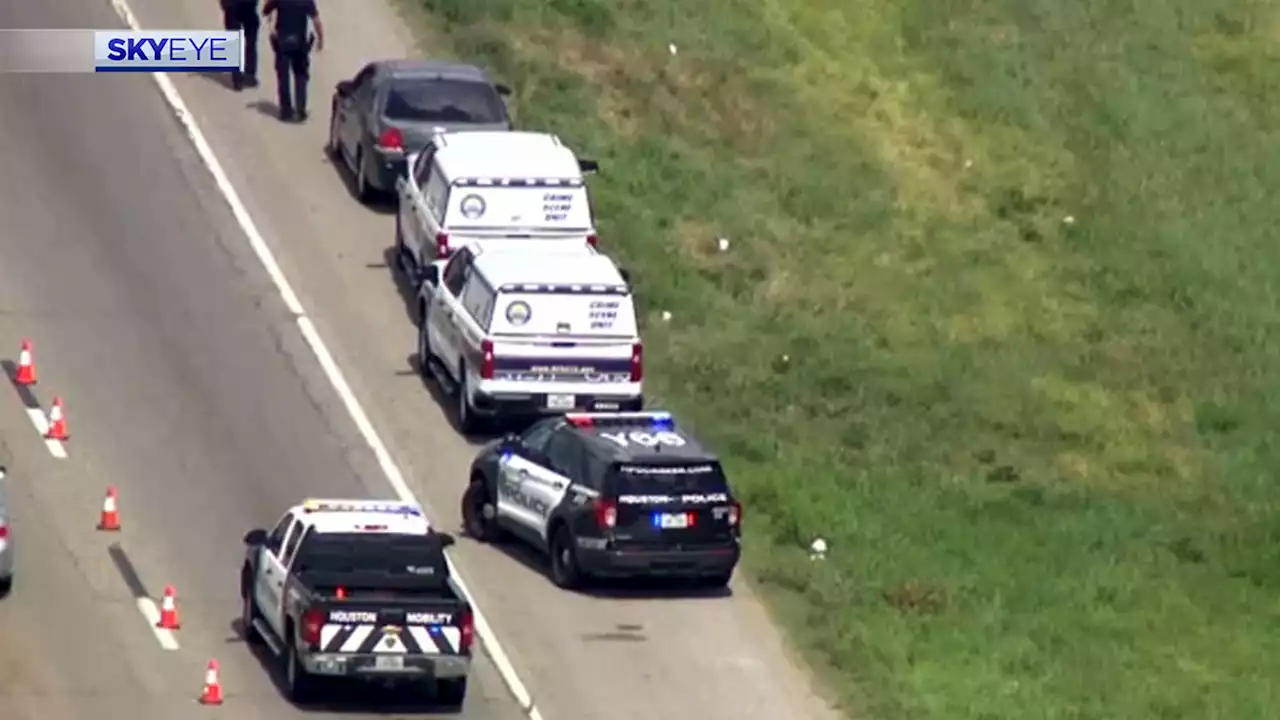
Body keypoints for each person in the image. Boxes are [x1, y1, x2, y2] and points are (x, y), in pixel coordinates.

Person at [263, 0, 324, 123]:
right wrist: (321, 39)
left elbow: (265, 11)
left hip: (282, 44)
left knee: (283, 78)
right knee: (301, 76)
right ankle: (300, 110)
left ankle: (286, 111)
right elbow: (316, 20)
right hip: (300, 45)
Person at [220, 0, 260, 91]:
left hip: (233, 6)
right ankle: (250, 74)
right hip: (249, 6)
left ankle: (237, 80)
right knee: (251, 41)